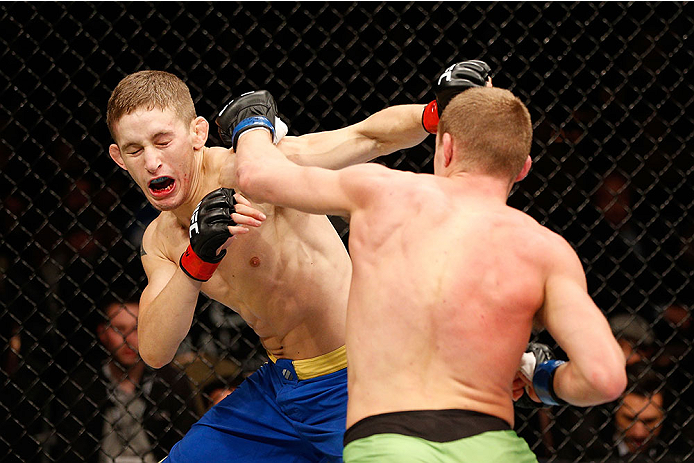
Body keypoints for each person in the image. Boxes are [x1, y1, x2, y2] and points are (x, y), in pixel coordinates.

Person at [226, 85, 628, 462]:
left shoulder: (381, 194)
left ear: (446, 147)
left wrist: (252, 121)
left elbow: (257, 177)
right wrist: (544, 381)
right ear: (522, 169)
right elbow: (605, 376)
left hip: (390, 444)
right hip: (493, 447)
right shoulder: (546, 250)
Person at [106, 64, 483, 462]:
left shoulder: (254, 168)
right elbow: (155, 349)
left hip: (362, 378)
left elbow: (365, 137)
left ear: (198, 134)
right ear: (118, 158)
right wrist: (196, 259)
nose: (151, 162)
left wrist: (438, 114)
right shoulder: (161, 238)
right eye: (135, 150)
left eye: (163, 141)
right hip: (280, 392)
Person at [51, 298, 198, 462]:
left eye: (137, 328)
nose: (129, 339)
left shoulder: (172, 382)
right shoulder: (82, 385)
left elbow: (188, 445)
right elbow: (70, 451)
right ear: (103, 332)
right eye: (119, 329)